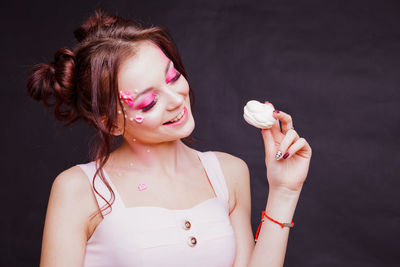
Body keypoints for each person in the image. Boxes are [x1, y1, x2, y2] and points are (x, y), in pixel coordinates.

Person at [28, 9, 312, 267]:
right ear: (110, 122)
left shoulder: (229, 173)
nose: (176, 100)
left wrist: (284, 192)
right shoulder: (78, 189)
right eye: (149, 101)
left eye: (173, 77)